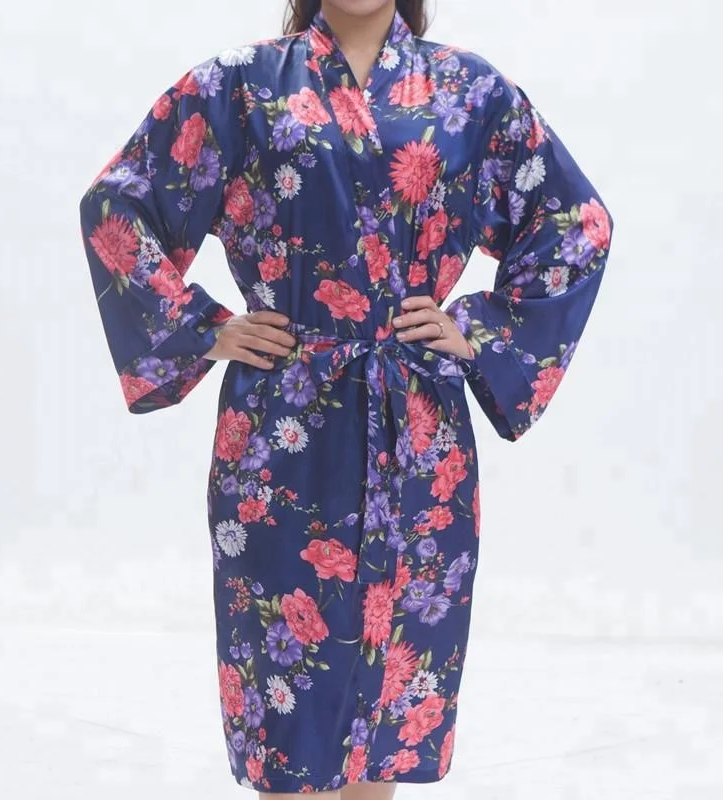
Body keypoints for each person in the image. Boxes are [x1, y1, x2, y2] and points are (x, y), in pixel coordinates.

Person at [78, 0, 614, 796]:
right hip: (281, 434)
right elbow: (117, 206)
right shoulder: (240, 85)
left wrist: (476, 328)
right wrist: (205, 328)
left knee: (387, 705)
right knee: (287, 703)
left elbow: (578, 224)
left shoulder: (470, 91)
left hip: (417, 438)